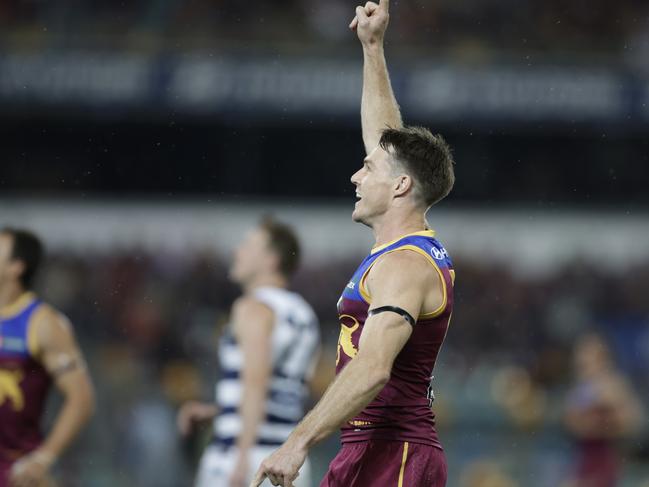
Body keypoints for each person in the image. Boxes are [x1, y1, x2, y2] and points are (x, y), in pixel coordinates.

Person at [251, 1, 456, 486]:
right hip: (368, 449)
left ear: (401, 187)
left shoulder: (407, 266)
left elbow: (374, 368)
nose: (355, 174)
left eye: (368, 169)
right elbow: (386, 142)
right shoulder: (401, 248)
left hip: (396, 455)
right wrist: (372, 48)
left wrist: (297, 441)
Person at [177, 217, 320, 487]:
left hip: (244, 457)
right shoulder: (303, 314)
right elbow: (282, 392)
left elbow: (256, 381)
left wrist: (241, 459)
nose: (237, 251)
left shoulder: (251, 308)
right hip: (290, 460)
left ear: (271, 259)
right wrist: (218, 411)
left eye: (248, 245)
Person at [0, 228, 95, 487]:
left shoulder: (41, 323)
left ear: (16, 267)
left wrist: (43, 459)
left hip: (13, 471)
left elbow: (81, 398)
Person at [564, 333, 643, 487]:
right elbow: (571, 423)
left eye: (587, 357)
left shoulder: (612, 384)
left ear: (602, 359)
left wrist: (604, 420)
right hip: (582, 460)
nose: (582, 361)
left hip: (607, 461)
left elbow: (632, 421)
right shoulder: (579, 387)